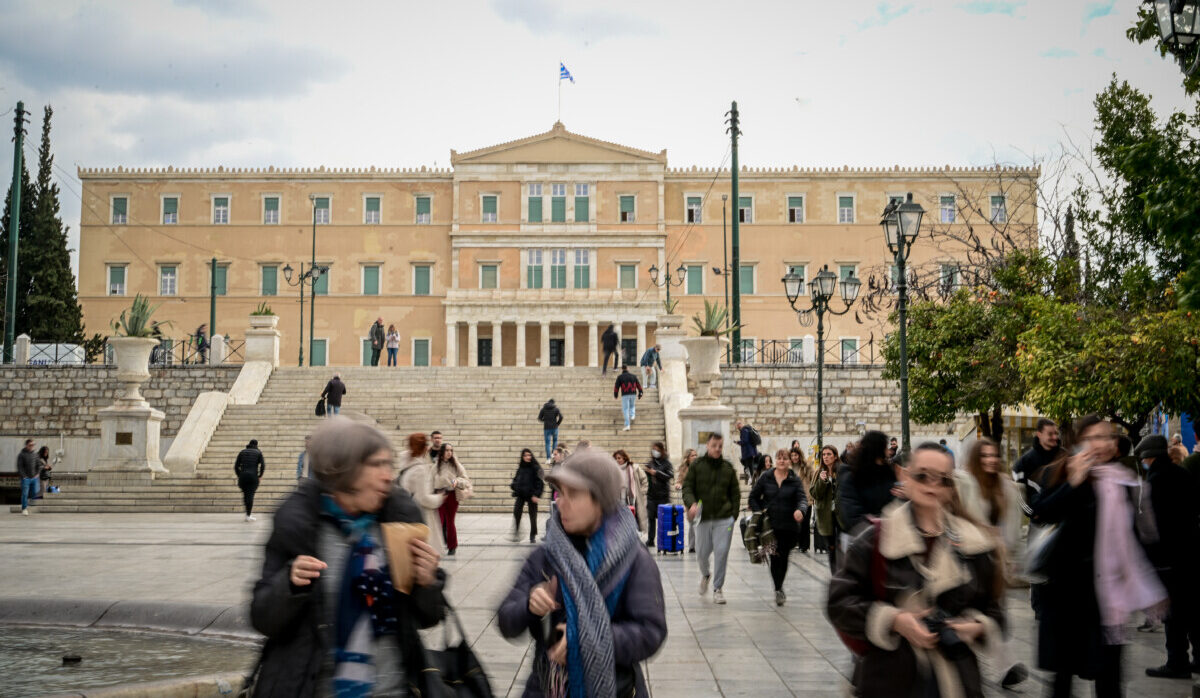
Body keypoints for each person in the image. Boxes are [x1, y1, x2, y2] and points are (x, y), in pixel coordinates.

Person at [248, 417, 445, 697]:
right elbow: (262, 617)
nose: (388, 475)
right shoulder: (299, 526)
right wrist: (289, 584)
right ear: (345, 469)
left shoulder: (398, 523)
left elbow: (428, 617)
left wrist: (427, 582)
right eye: (377, 465)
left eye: (389, 465)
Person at [828, 443, 1007, 697]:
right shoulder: (875, 539)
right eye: (922, 475)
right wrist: (894, 620)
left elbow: (994, 610)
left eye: (942, 480)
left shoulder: (974, 543)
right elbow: (839, 602)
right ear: (905, 477)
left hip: (954, 679)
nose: (931, 484)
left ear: (950, 487)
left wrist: (976, 626)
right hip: (888, 679)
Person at [497, 448, 667, 697]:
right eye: (560, 493)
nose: (561, 503)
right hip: (547, 687)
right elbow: (506, 620)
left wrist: (587, 641)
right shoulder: (547, 556)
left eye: (573, 494)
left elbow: (650, 632)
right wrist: (528, 605)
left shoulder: (634, 560)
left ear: (601, 500)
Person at [1032, 415, 1167, 698]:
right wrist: (1074, 483)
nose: (1103, 444)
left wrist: (1149, 583)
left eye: (1108, 437)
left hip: (1107, 599)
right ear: (1080, 442)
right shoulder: (1063, 471)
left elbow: (1133, 541)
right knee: (1063, 678)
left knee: (1109, 678)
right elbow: (1042, 513)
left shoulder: (1124, 480)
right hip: (1067, 597)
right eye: (1094, 438)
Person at [954, 437, 1028, 689]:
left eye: (994, 455)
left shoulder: (1004, 487)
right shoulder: (964, 482)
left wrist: (1011, 556)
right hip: (969, 559)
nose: (990, 460)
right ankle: (1000, 667)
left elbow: (1012, 528)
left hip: (994, 560)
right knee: (981, 613)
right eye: (984, 456)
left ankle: (1003, 667)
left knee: (995, 613)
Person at [1133, 434, 1200, 678]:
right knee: (1192, 609)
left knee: (1173, 614)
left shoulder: (1154, 481)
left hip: (1169, 558)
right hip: (1191, 552)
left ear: (1148, 457)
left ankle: (1177, 662)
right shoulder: (1182, 474)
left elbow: (1154, 525)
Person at [682, 432, 740, 604]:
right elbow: (687, 487)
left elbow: (735, 494)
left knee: (722, 553)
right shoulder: (697, 466)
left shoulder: (728, 469)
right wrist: (691, 503)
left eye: (720, 446)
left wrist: (733, 516)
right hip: (703, 517)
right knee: (701, 553)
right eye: (714, 445)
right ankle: (706, 574)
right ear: (707, 445)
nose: (717, 449)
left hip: (724, 518)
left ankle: (718, 588)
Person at [749, 451, 809, 606]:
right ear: (775, 460)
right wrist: (760, 511)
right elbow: (753, 497)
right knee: (775, 558)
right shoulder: (766, 477)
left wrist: (800, 510)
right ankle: (778, 588)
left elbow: (802, 498)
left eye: (785, 458)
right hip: (771, 526)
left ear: (789, 461)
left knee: (783, 557)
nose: (782, 461)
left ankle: (779, 585)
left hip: (789, 526)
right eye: (779, 458)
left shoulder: (794, 479)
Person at [837, 430, 895, 541]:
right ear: (877, 450)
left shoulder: (888, 472)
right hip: (860, 540)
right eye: (885, 447)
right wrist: (878, 525)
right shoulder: (851, 474)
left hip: (887, 539)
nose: (888, 452)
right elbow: (850, 513)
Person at [397, 433, 445, 555]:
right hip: (421, 516)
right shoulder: (420, 469)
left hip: (406, 514)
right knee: (425, 553)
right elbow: (423, 498)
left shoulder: (405, 465)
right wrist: (440, 498)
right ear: (425, 447)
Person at [433, 443, 471, 557]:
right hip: (439, 495)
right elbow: (430, 480)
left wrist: (457, 481)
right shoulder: (436, 465)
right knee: (438, 521)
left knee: (450, 522)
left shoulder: (456, 465)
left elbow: (466, 480)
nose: (449, 452)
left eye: (451, 450)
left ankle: (452, 546)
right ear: (442, 452)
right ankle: (436, 546)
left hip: (452, 496)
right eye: (447, 450)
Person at [1013, 418, 1062, 505]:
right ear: (1039, 434)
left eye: (1056, 433)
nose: (1055, 437)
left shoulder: (1065, 456)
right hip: (1039, 517)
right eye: (1050, 434)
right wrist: (1032, 513)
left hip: (1065, 516)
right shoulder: (1024, 462)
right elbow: (1018, 494)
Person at [809, 453, 838, 570]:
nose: (826, 457)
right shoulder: (819, 472)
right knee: (831, 546)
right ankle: (835, 571)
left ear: (835, 456)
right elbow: (815, 494)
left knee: (839, 545)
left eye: (829, 454)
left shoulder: (841, 472)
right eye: (824, 455)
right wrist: (822, 481)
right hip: (825, 516)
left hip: (839, 515)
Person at [642, 442, 674, 547]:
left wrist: (656, 473)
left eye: (657, 450)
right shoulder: (650, 463)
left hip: (662, 496)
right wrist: (646, 471)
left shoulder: (667, 463)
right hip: (651, 495)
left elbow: (670, 475)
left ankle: (664, 539)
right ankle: (651, 540)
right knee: (651, 518)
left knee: (663, 519)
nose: (655, 452)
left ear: (661, 451)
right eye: (653, 449)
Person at [511, 449, 545, 543]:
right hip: (521, 494)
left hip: (531, 495)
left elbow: (540, 483)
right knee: (516, 512)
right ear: (522, 457)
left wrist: (536, 495)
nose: (528, 457)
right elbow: (516, 479)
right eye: (525, 455)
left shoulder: (536, 467)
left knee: (533, 516)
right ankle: (517, 532)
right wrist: (514, 485)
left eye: (529, 455)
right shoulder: (521, 468)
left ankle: (533, 534)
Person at [613, 449, 648, 535]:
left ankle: (634, 532)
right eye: (615, 458)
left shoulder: (634, 468)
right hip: (620, 496)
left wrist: (642, 492)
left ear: (624, 458)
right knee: (621, 515)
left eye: (619, 458)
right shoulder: (613, 469)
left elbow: (644, 480)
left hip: (633, 496)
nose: (617, 460)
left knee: (634, 514)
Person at [234, 439, 266, 522]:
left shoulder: (242, 452)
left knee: (245, 495)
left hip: (243, 476)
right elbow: (263, 465)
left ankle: (247, 514)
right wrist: (260, 476)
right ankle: (248, 515)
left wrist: (239, 475)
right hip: (253, 477)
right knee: (250, 495)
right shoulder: (258, 453)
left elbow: (236, 466)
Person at [789, 449, 813, 553]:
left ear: (800, 455)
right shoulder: (788, 468)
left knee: (805, 523)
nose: (794, 457)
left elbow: (813, 479)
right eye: (792, 455)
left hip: (806, 498)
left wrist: (812, 496)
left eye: (796, 455)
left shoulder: (806, 467)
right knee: (795, 522)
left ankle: (805, 545)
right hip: (794, 499)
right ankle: (796, 543)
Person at [675, 448, 699, 553]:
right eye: (692, 455)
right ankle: (692, 546)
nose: (695, 457)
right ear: (687, 458)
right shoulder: (684, 469)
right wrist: (678, 484)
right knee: (692, 522)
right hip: (689, 498)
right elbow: (679, 480)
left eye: (695, 455)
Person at [613, 365, 642, 432]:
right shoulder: (634, 376)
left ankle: (627, 425)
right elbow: (638, 385)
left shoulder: (620, 377)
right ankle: (632, 415)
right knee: (632, 405)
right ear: (627, 368)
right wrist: (640, 392)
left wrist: (615, 395)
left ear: (622, 369)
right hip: (633, 394)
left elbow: (616, 387)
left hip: (625, 395)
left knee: (625, 409)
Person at [16, 439, 39, 515]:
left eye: (33, 445)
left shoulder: (35, 454)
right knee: (25, 493)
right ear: (26, 445)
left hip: (34, 478)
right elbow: (19, 467)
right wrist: (24, 476)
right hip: (26, 478)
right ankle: (24, 508)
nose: (32, 446)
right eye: (30, 445)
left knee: (34, 492)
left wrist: (37, 474)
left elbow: (38, 465)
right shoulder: (21, 454)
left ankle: (28, 501)